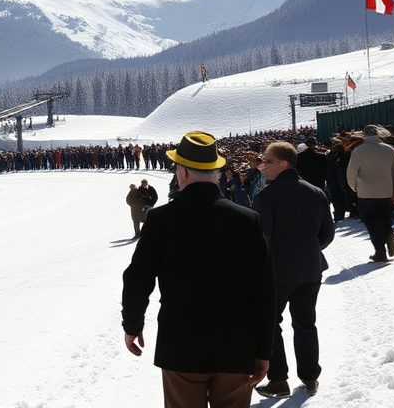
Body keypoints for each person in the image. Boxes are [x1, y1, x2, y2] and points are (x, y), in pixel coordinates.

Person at [122, 131, 275, 408]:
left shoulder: (160, 219)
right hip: (236, 346)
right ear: (216, 172)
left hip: (181, 345)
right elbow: (264, 291)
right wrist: (264, 350)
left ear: (182, 171)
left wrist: (132, 324)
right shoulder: (247, 220)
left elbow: (137, 278)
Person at [253, 142, 335, 398]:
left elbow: (261, 238)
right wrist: (306, 250)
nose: (262, 166)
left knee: (270, 323)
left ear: (284, 163)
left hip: (278, 272)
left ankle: (279, 380)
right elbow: (327, 234)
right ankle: (310, 378)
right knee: (306, 324)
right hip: (311, 270)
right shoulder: (317, 192)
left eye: (267, 161)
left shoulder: (266, 196)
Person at [345, 125, 394, 262]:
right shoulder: (390, 150)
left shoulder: (358, 151)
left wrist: (354, 186)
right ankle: (388, 233)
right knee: (385, 217)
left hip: (366, 192)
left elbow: (351, 172)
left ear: (364, 135)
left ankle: (380, 252)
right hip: (386, 191)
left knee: (371, 221)